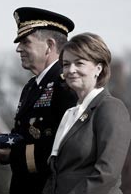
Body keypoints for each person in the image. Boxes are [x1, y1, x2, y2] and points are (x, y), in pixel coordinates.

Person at [0, 7, 78, 194]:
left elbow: (65, 147)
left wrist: (13, 155)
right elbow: (24, 135)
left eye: (25, 42)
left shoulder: (67, 85)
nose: (18, 48)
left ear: (49, 45)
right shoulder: (31, 86)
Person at [43, 32, 131, 194]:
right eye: (66, 64)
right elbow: (55, 174)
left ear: (99, 68)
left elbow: (107, 173)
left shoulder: (111, 108)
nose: (71, 70)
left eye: (79, 63)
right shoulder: (70, 113)